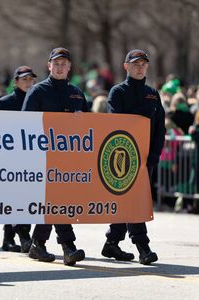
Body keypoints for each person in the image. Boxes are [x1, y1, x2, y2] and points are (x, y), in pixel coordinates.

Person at [22, 47, 86, 266]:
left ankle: (37, 244)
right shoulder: (37, 91)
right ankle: (68, 247)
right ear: (49, 66)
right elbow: (25, 125)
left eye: (64, 64)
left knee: (57, 202)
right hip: (43, 157)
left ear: (69, 67)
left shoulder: (77, 93)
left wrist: (81, 121)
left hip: (69, 159)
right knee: (57, 201)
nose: (60, 67)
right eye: (56, 64)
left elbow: (88, 128)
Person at [102, 49, 165, 265]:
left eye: (143, 64)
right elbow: (114, 123)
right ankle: (143, 247)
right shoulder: (117, 92)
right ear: (126, 66)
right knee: (134, 201)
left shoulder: (153, 94)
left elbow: (160, 128)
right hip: (124, 158)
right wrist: (142, 113)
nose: (140, 67)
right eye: (136, 64)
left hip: (148, 158)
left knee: (127, 201)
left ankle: (112, 243)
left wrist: (155, 155)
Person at [0, 66, 37, 253]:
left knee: (28, 197)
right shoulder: (5, 102)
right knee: (12, 198)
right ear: (16, 82)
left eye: (31, 79)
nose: (28, 82)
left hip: (31, 157)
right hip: (9, 158)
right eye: (24, 79)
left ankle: (10, 238)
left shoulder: (37, 99)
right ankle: (21, 236)